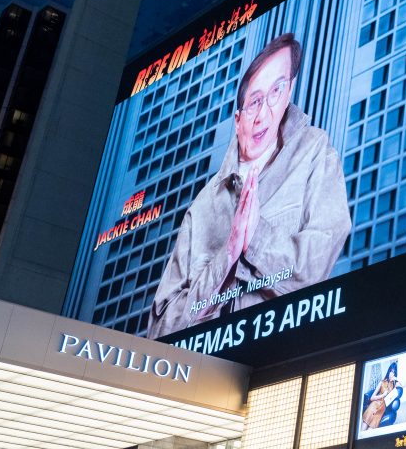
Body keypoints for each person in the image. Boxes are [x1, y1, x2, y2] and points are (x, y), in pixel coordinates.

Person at [148, 33, 352, 338]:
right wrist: (228, 255)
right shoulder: (203, 206)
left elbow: (316, 268)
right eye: (254, 102)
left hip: (284, 353)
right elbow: (159, 330)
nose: (263, 114)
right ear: (237, 119)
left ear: (289, 93)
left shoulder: (315, 152)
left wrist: (255, 237)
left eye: (276, 91)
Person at [363, 362, 403, 429]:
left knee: (371, 429)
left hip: (382, 409)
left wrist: (396, 379)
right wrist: (383, 395)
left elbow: (404, 384)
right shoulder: (381, 382)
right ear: (388, 372)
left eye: (394, 372)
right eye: (391, 371)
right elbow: (372, 398)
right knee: (365, 425)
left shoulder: (395, 384)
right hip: (374, 404)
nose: (392, 374)